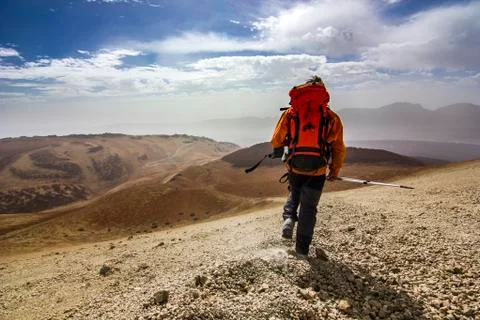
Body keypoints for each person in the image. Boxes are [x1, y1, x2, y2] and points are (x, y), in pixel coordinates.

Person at [270, 76, 346, 258]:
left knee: (294, 192)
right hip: (318, 169)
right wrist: (334, 171)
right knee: (309, 208)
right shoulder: (330, 117)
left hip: (295, 165)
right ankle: (302, 250)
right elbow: (339, 148)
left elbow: (275, 139)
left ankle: (288, 218)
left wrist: (283, 151)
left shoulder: (291, 112)